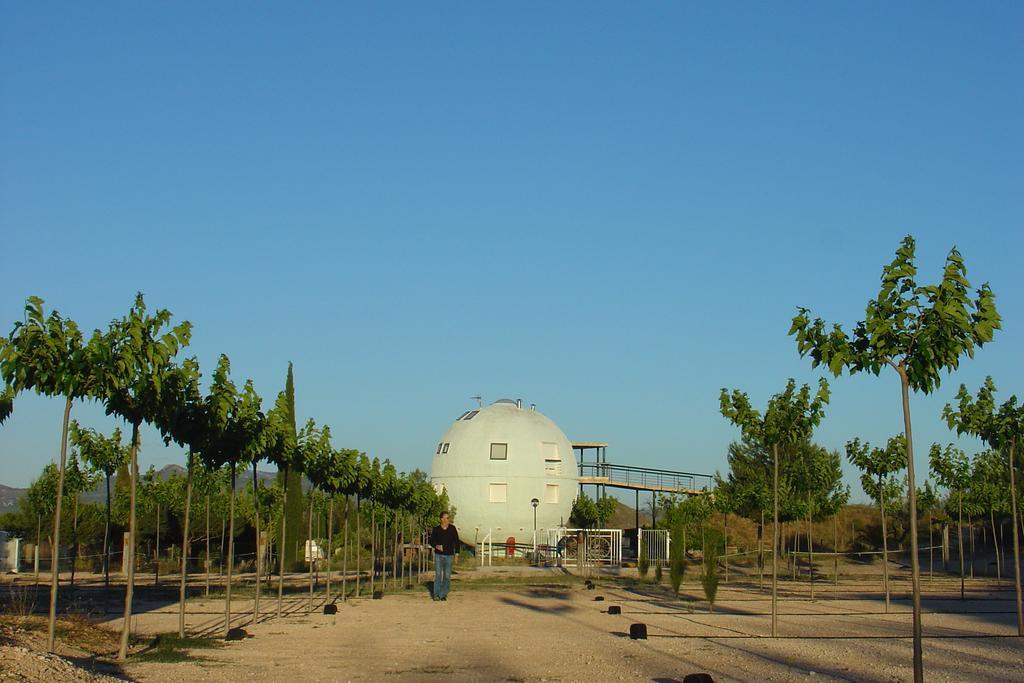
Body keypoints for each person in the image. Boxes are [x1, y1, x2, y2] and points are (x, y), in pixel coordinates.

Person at [429, 511, 459, 601]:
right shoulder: (436, 529)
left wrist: (457, 554)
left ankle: (443, 594)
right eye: (445, 518)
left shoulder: (452, 529)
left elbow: (456, 542)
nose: (446, 520)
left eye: (448, 518)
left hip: (449, 556)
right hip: (439, 555)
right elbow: (431, 541)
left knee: (447, 576)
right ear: (441, 519)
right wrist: (436, 546)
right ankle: (436, 594)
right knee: (438, 575)